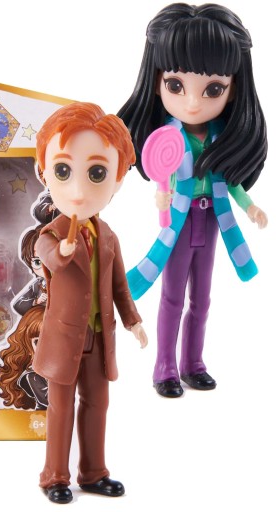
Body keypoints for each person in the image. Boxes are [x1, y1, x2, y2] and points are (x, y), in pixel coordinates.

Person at [118, 3, 268, 398]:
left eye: (213, 89)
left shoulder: (222, 139)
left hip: (213, 221)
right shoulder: (167, 138)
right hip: (179, 224)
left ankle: (193, 364)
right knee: (171, 297)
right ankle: (164, 367)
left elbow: (231, 183)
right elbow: (162, 176)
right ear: (156, 81)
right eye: (176, 85)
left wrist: (250, 207)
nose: (193, 103)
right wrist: (162, 195)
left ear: (233, 88)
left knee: (201, 299)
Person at [33, 102, 147, 504]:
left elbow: (120, 287)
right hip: (64, 339)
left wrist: (133, 321)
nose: (79, 190)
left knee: (98, 404)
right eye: (63, 171)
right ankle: (54, 476)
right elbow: (50, 259)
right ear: (44, 172)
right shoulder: (50, 234)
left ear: (117, 179)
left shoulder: (108, 236)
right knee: (60, 409)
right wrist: (63, 251)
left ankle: (94, 472)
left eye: (96, 173)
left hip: (99, 339)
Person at [0, 305, 48, 411]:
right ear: (27, 345)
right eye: (37, 342)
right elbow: (49, 400)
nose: (45, 348)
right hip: (43, 417)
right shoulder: (32, 375)